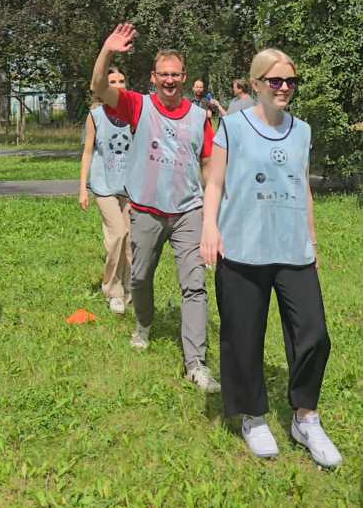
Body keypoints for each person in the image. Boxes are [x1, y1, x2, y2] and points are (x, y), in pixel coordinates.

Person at [200, 49, 341, 467]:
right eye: (275, 81)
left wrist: (312, 241)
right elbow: (214, 183)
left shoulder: (302, 130)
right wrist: (210, 226)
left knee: (313, 333)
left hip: (292, 247)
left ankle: (305, 417)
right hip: (242, 246)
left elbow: (303, 187)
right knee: (243, 335)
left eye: (290, 81)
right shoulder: (233, 126)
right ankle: (254, 417)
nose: (284, 88)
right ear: (257, 82)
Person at [90, 23, 220, 392]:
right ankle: (143, 323)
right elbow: (99, 87)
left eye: (175, 74)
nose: (169, 81)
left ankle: (195, 363)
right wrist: (107, 50)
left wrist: (213, 214)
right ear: (153, 77)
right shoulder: (137, 104)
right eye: (163, 74)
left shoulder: (199, 117)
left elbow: (209, 166)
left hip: (188, 212)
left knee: (194, 286)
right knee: (140, 277)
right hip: (146, 210)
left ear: (184, 77)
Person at [79, 67, 132, 314]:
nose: (118, 85)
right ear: (104, 87)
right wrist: (82, 188)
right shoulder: (95, 115)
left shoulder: (135, 113)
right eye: (113, 81)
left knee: (131, 241)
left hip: (130, 187)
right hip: (103, 186)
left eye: (122, 81)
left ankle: (129, 291)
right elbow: (88, 152)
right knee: (117, 235)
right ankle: (112, 290)